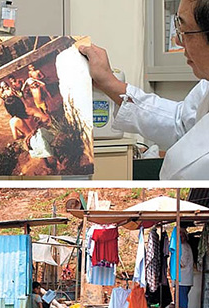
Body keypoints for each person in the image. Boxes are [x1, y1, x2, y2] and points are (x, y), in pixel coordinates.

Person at [79, 0, 209, 180]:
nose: (178, 40)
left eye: (184, 30)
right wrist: (109, 83)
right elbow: (181, 122)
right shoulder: (206, 86)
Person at [175, 228, 194, 308]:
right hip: (184, 278)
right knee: (181, 299)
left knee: (182, 300)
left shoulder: (183, 247)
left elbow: (182, 263)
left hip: (183, 278)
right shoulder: (184, 246)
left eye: (182, 236)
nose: (180, 238)